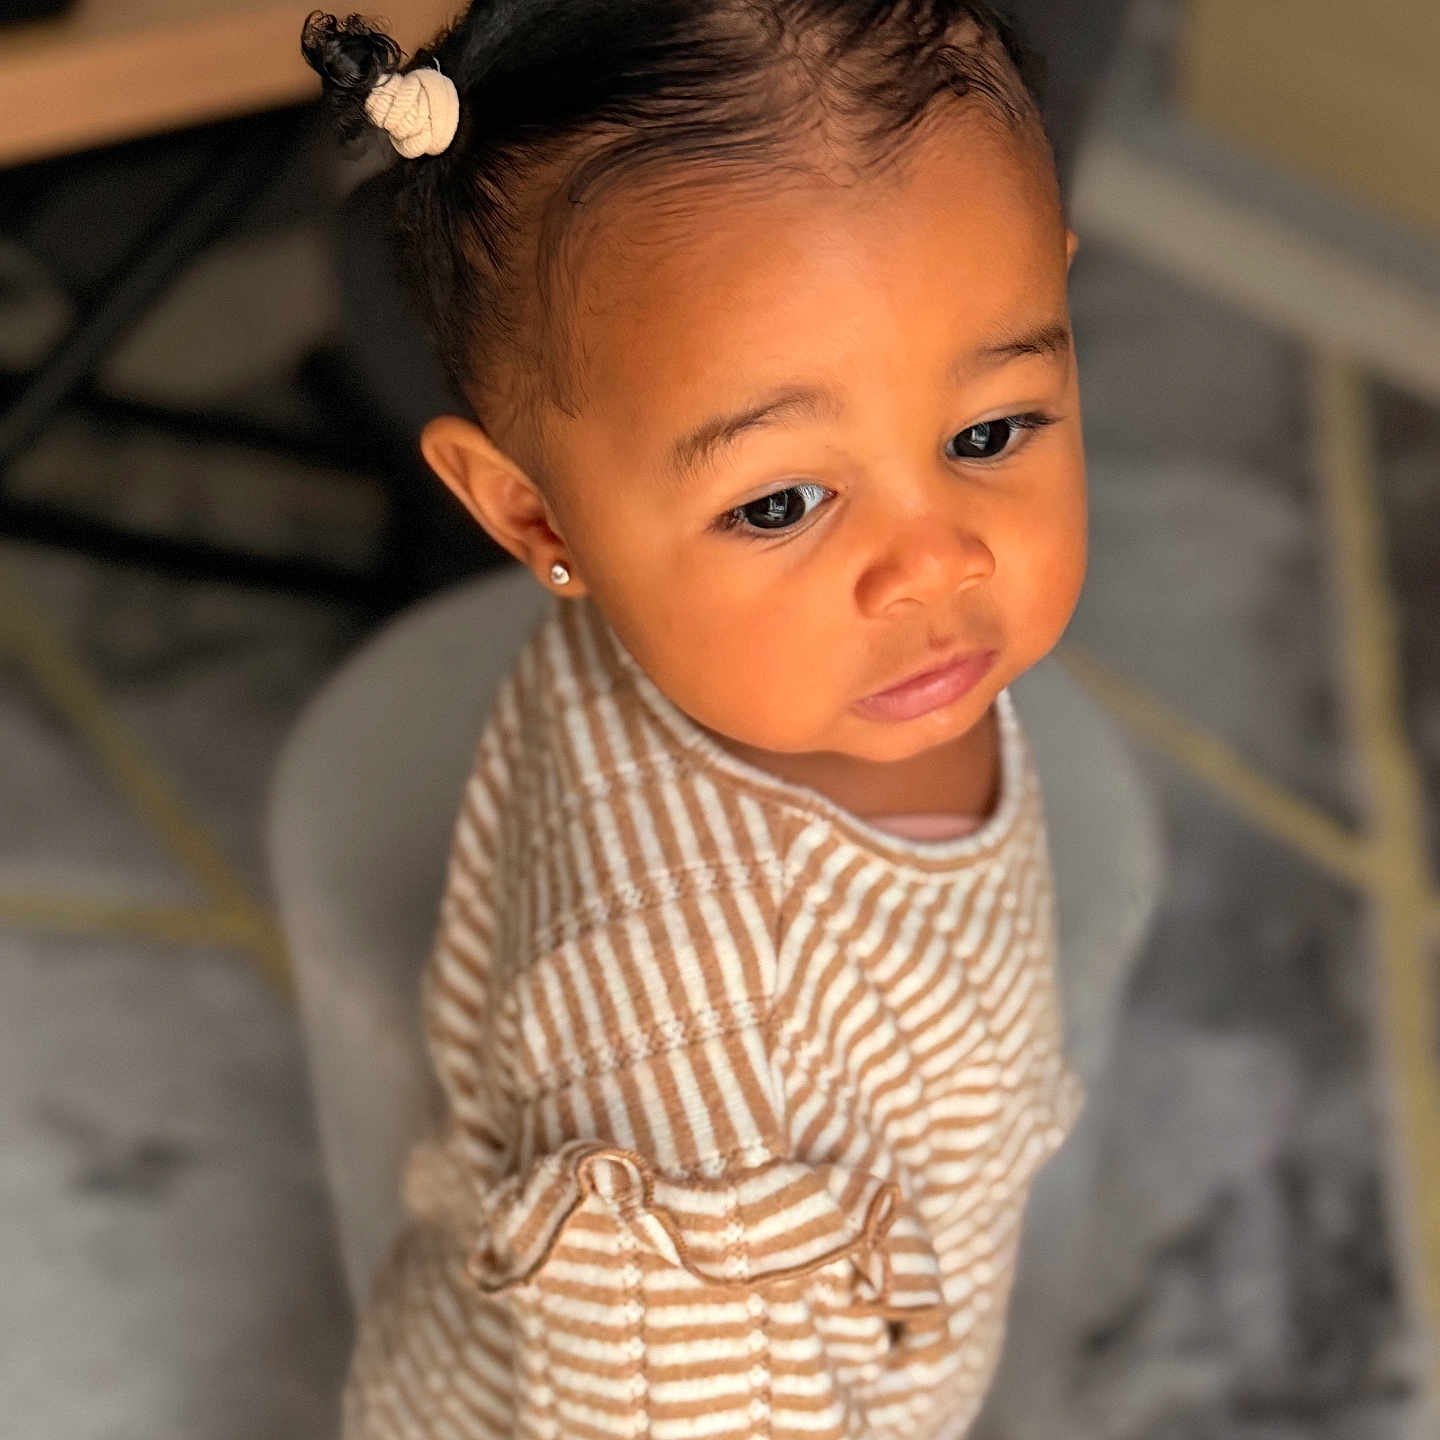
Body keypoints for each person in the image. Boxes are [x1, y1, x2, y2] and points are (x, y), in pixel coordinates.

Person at [301, 3, 1101, 1436]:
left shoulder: (754, 646)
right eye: (780, 501)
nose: (936, 562)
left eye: (988, 431)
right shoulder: (689, 1053)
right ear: (533, 512)